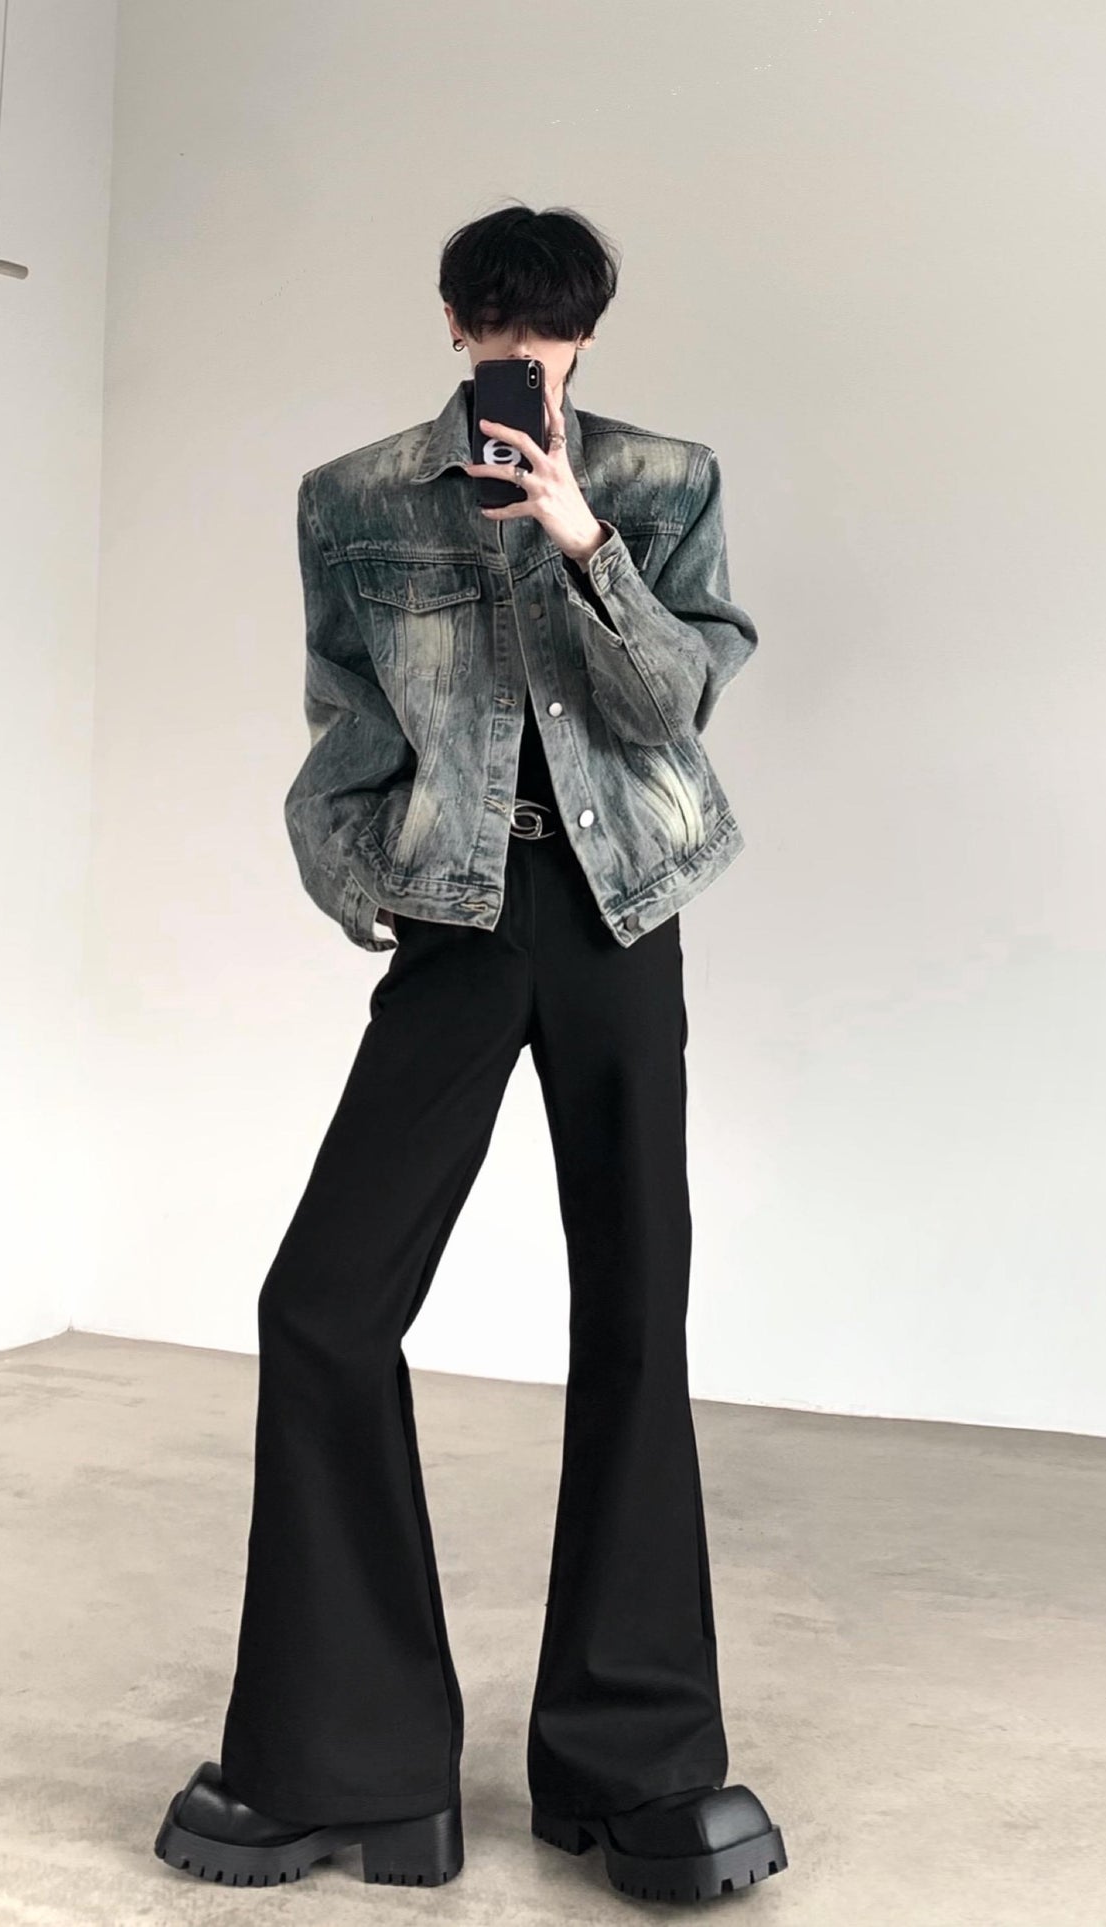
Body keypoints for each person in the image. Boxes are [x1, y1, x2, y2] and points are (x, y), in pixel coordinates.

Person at [153, 202, 788, 1904]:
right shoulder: (353, 497)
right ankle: (348, 1767)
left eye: (550, 328)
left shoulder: (661, 481)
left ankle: (634, 1770)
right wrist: (362, 877)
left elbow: (674, 706)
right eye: (499, 323)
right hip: (456, 916)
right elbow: (343, 722)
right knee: (323, 1304)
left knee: (633, 1314)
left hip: (620, 916)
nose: (524, 352)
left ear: (585, 332)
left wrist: (584, 541)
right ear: (454, 324)